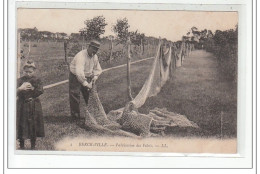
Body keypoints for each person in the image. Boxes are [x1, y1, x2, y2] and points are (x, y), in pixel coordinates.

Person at [69, 40, 102, 120]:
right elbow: (79, 72)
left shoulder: (95, 56)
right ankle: (75, 118)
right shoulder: (81, 56)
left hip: (87, 76)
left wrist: (95, 77)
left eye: (96, 49)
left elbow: (98, 69)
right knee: (75, 95)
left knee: (89, 96)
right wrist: (86, 84)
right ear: (89, 47)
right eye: (93, 49)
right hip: (75, 76)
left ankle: (92, 116)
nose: (94, 51)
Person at [17, 60, 45, 149]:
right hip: (22, 105)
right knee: (22, 124)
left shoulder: (37, 80)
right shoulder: (20, 80)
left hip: (33, 104)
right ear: (23, 71)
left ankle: (33, 145)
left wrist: (33, 88)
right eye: (26, 72)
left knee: (33, 124)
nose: (28, 74)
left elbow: (41, 90)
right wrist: (20, 89)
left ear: (34, 71)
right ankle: (22, 145)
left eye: (30, 72)